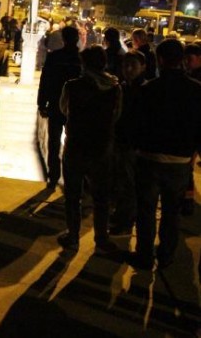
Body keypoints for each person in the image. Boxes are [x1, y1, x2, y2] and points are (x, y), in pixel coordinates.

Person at [129, 39, 201, 270]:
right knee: (171, 212)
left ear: (160, 59)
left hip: (149, 159)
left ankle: (144, 255)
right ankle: (166, 254)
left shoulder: (148, 89)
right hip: (180, 161)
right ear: (182, 60)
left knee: (146, 210)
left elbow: (135, 125)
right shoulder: (196, 90)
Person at [57, 46, 122, 252]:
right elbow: (117, 116)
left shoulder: (72, 86)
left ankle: (72, 236)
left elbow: (63, 109)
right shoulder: (115, 88)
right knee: (101, 198)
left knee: (73, 196)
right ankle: (101, 239)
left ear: (83, 64)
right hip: (101, 147)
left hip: (76, 146)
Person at [37, 26, 82, 189]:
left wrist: (42, 103)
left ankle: (53, 176)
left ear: (63, 39)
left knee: (54, 142)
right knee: (73, 144)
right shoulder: (82, 59)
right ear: (77, 39)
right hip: (75, 108)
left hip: (56, 104)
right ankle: (71, 179)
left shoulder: (54, 57)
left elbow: (45, 81)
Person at [109, 50, 146, 236]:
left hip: (133, 145)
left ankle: (125, 220)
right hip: (120, 142)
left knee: (129, 185)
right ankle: (121, 215)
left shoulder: (145, 90)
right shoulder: (122, 87)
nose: (128, 69)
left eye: (133, 65)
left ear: (143, 67)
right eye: (126, 65)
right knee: (121, 181)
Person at [181, 42, 201, 216]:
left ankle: (187, 202)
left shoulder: (195, 79)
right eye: (185, 59)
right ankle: (187, 201)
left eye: (190, 59)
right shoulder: (189, 75)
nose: (187, 62)